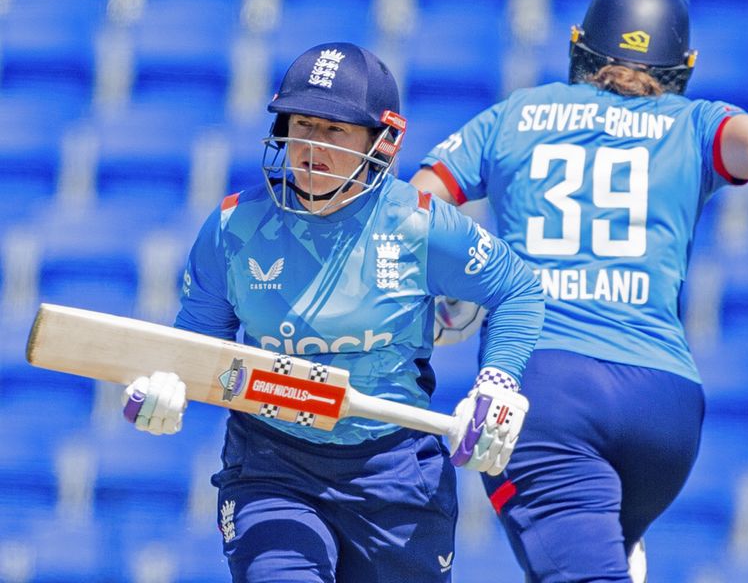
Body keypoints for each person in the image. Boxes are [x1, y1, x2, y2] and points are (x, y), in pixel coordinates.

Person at [410, 0, 748, 583]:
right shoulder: (695, 122)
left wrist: (454, 282)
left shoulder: (517, 113)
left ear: (581, 46)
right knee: (596, 553)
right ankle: (620, 543)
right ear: (683, 65)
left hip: (544, 385)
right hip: (665, 404)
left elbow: (420, 204)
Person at [119, 41, 544, 582]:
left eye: (335, 129)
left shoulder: (421, 225)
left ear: (382, 141)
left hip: (396, 471)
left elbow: (520, 289)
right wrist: (165, 388)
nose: (310, 146)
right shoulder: (233, 228)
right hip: (272, 465)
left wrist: (497, 381)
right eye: (301, 124)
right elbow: (196, 346)